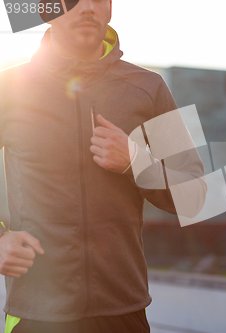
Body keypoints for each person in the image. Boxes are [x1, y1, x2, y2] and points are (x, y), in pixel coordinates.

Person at [0, 1, 206, 332]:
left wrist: (137, 162)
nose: (86, 8)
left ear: (110, 8)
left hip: (123, 310)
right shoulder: (9, 88)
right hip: (35, 312)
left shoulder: (149, 87)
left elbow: (196, 194)